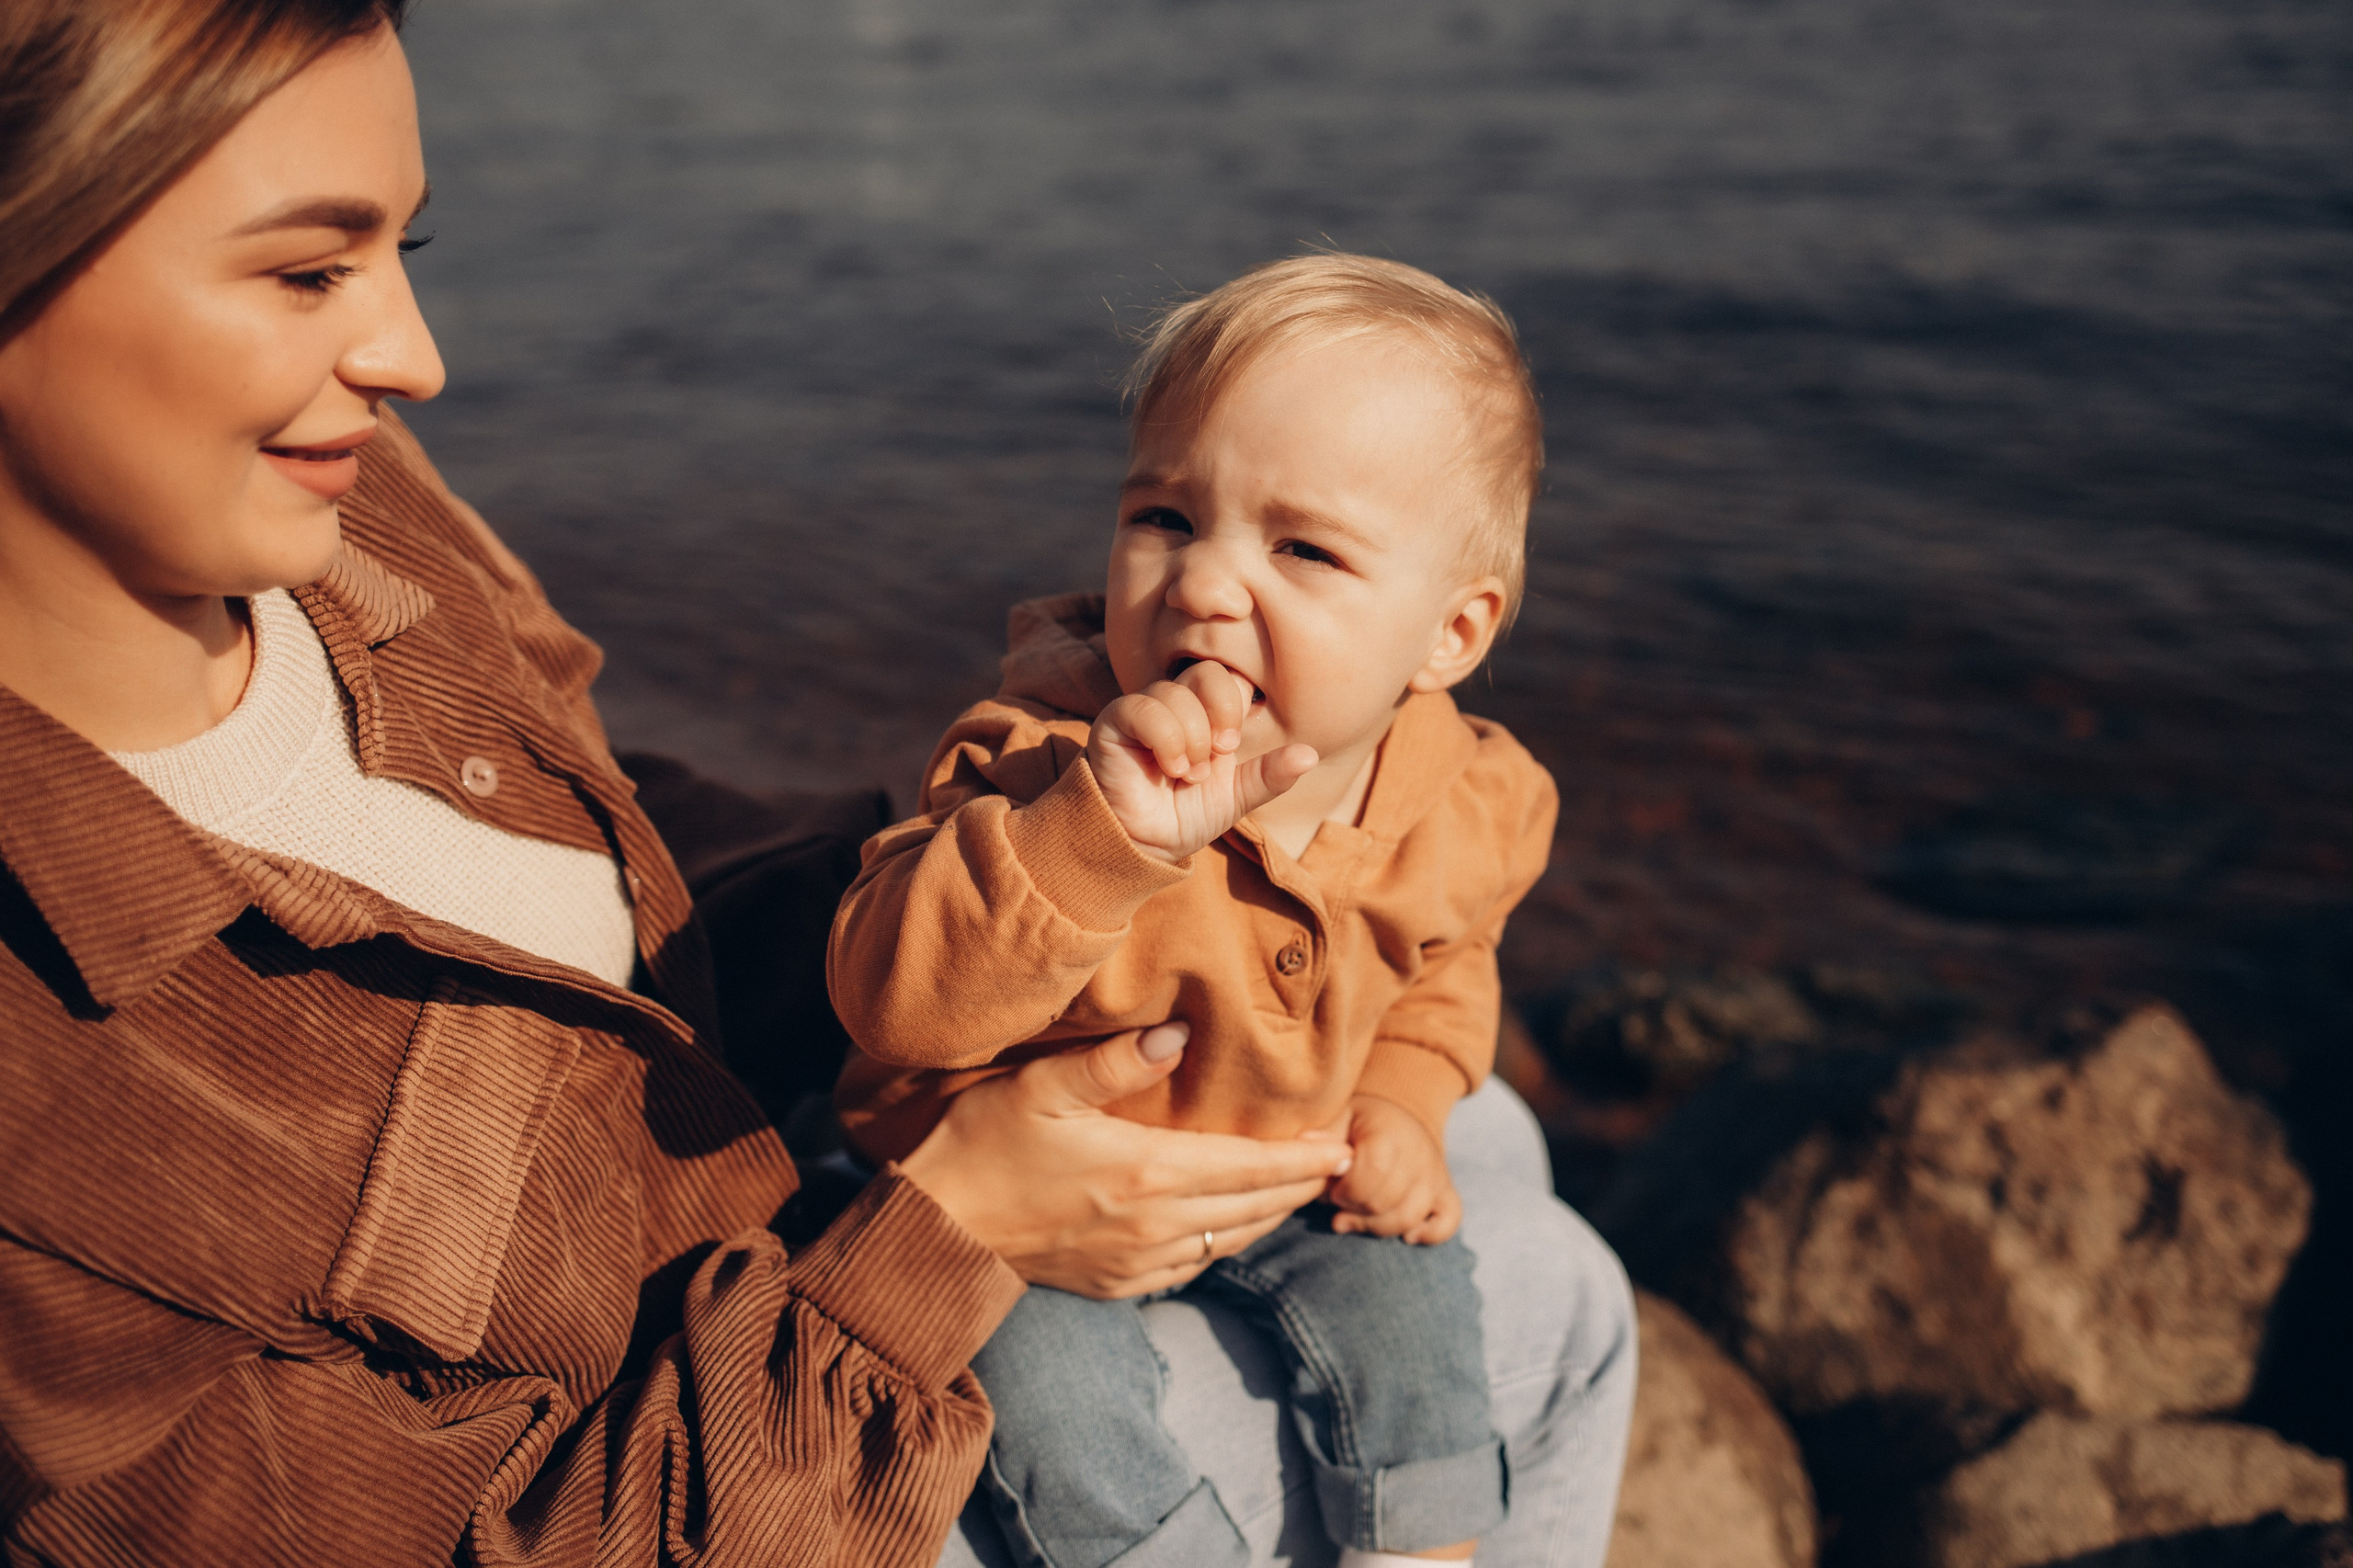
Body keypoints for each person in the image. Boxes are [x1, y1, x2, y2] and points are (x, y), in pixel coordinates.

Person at [0, 4, 1636, 1565]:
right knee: (1556, 1296)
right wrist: (958, 1218)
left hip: (778, 1135)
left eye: (399, 252)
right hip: (756, 1447)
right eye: (306, 269)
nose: (413, 356)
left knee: (1474, 1135)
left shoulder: (333, 512)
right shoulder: (45, 1099)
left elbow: (605, 802)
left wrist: (945, 868)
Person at [829, 256, 1552, 1568]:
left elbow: (1447, 962)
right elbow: (893, 999)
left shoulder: (1471, 792)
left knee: (1417, 1298)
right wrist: (1090, 842)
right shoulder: (1041, 765)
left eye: (1304, 547)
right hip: (1032, 1214)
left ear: (1449, 634)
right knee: (1047, 1399)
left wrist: (1403, 1097)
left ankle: (1424, 1545)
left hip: (1280, 1172)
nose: (1207, 584)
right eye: (1166, 517)